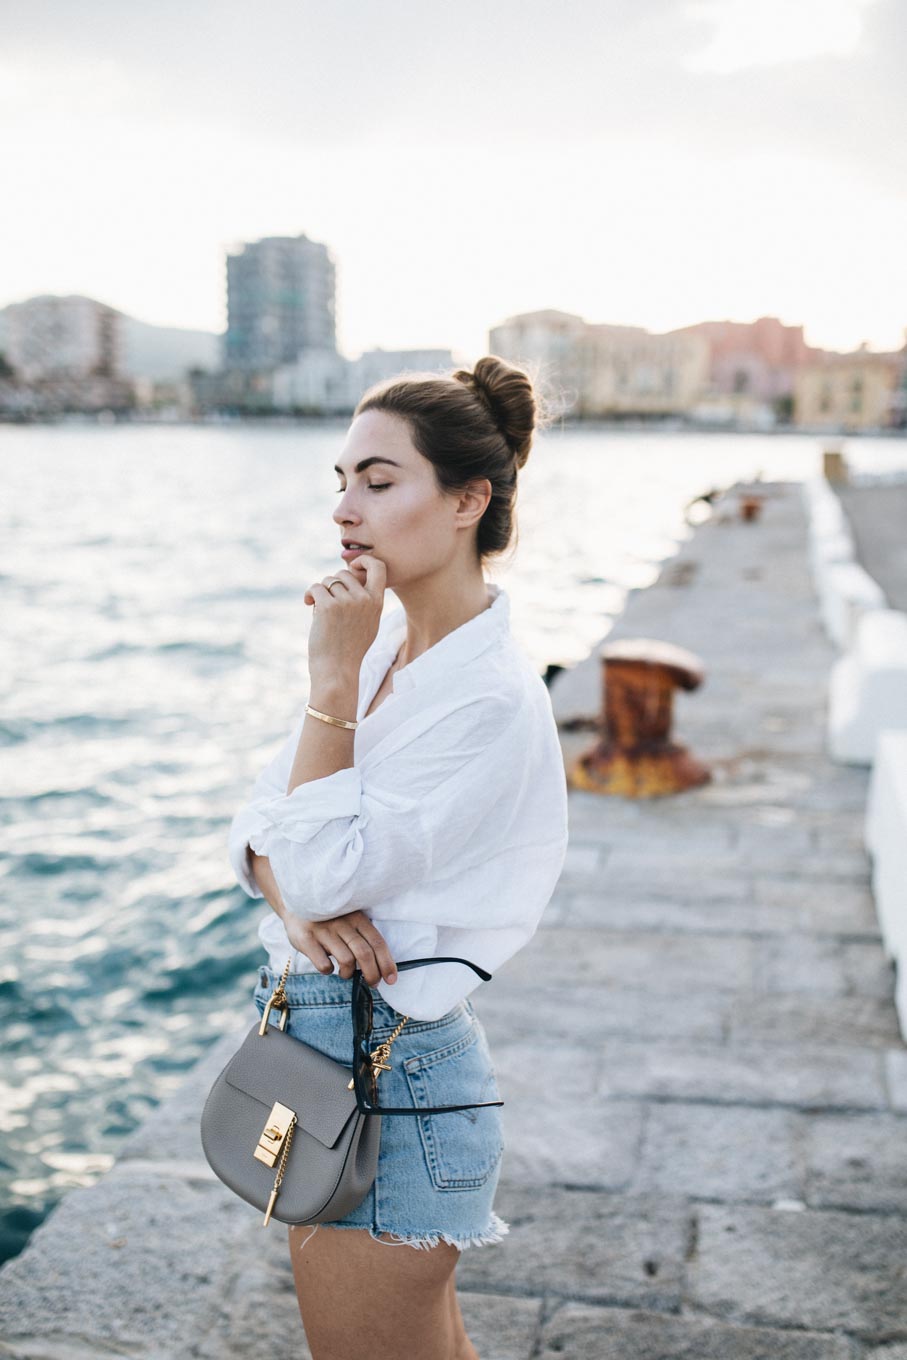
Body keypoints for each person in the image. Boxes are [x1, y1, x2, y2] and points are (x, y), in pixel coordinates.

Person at [228, 354, 569, 1360]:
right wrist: (294, 906)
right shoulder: (386, 648)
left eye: (379, 481)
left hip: (390, 1079)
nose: (347, 508)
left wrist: (326, 681)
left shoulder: (484, 693)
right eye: (341, 481)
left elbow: (319, 860)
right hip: (340, 1051)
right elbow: (253, 824)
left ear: (469, 498)